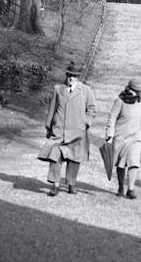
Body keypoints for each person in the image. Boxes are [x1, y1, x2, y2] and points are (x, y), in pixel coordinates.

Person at [37, 61, 97, 196]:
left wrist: (85, 123)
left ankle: (71, 184)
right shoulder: (58, 89)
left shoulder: (86, 91)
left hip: (77, 132)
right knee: (55, 156)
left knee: (74, 158)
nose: (71, 78)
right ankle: (55, 185)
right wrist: (49, 126)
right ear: (66, 75)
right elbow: (52, 109)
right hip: (59, 131)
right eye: (69, 75)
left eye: (74, 76)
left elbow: (92, 110)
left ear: (78, 77)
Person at [105, 79, 141, 200]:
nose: (138, 93)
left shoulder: (139, 101)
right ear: (129, 90)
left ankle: (131, 189)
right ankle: (121, 187)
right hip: (121, 136)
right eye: (136, 91)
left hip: (135, 137)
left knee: (134, 162)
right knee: (121, 164)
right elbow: (112, 117)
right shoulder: (120, 101)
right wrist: (109, 134)